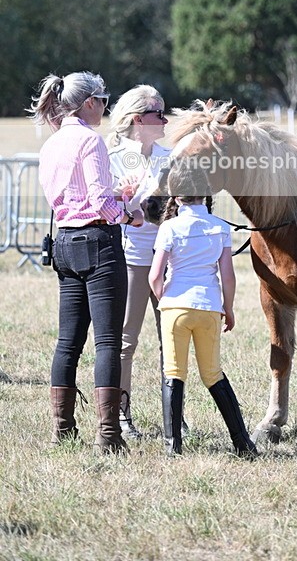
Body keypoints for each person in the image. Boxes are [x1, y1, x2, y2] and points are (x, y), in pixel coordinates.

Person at [29, 71, 144, 454]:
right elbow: (99, 202)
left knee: (67, 342)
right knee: (108, 341)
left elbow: (73, 197)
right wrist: (129, 213)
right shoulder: (90, 140)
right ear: (89, 102)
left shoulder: (53, 143)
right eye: (103, 100)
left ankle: (63, 430)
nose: (106, 108)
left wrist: (114, 197)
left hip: (65, 242)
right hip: (99, 243)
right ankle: (108, 435)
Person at [148, 166, 257, 458]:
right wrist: (228, 307)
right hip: (209, 306)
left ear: (177, 198)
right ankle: (242, 442)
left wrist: (164, 298)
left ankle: (173, 446)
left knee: (174, 371)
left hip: (175, 306)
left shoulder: (169, 228)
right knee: (213, 373)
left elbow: (155, 276)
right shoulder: (219, 227)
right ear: (205, 195)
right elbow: (228, 275)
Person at [107, 85, 171, 439]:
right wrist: (126, 202)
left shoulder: (169, 155)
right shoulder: (114, 157)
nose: (164, 119)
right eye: (157, 113)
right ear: (137, 119)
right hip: (130, 257)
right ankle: (121, 416)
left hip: (168, 257)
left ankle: (172, 415)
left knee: (171, 339)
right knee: (126, 340)